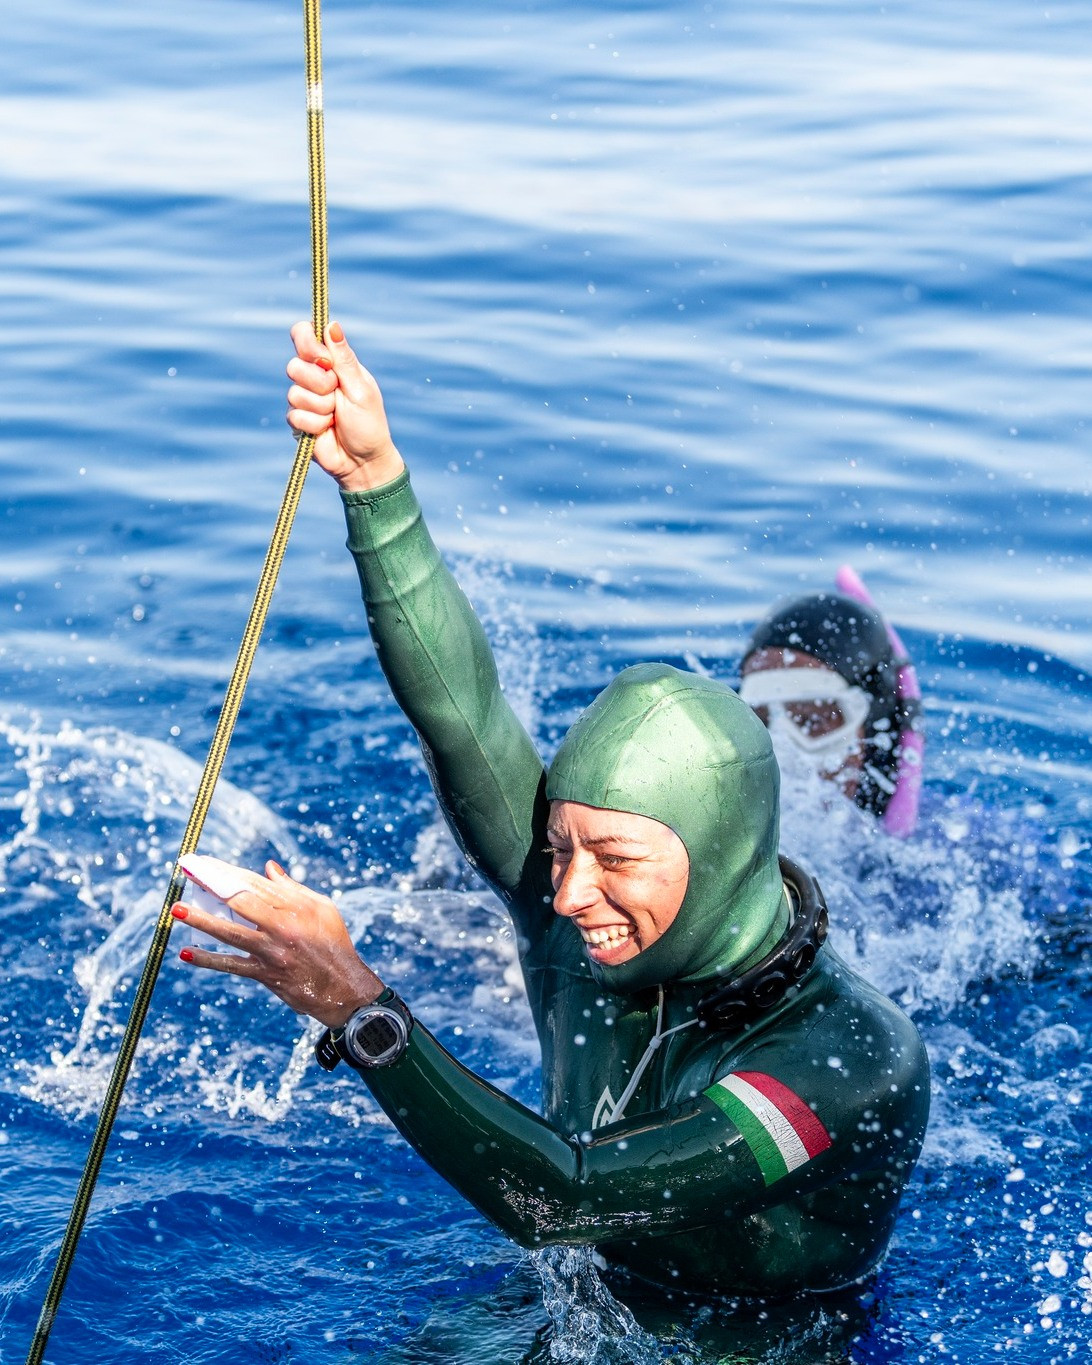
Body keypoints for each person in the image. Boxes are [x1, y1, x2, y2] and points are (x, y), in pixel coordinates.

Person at [174, 320, 930, 1301]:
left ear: (725, 851)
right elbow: (465, 721)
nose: (568, 891)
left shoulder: (850, 1055)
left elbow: (570, 1202)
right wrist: (374, 484)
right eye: (561, 846)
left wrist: (359, 1009)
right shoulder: (579, 911)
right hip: (553, 1308)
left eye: (614, 858)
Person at [739, 583, 925, 836]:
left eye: (812, 722)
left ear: (873, 729)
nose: (782, 756)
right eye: (759, 723)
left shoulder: (953, 840)